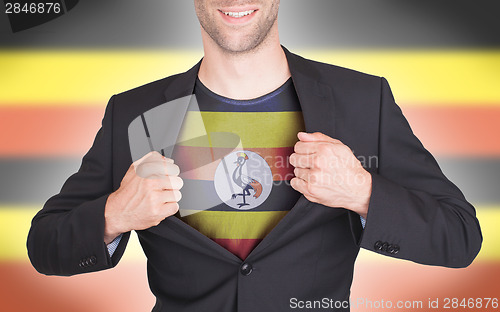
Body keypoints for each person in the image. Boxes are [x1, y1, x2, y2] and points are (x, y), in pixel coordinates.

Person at [27, 1, 482, 311]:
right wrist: (114, 215)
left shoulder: (362, 100)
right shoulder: (136, 113)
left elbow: (460, 237)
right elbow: (44, 246)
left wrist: (363, 192)